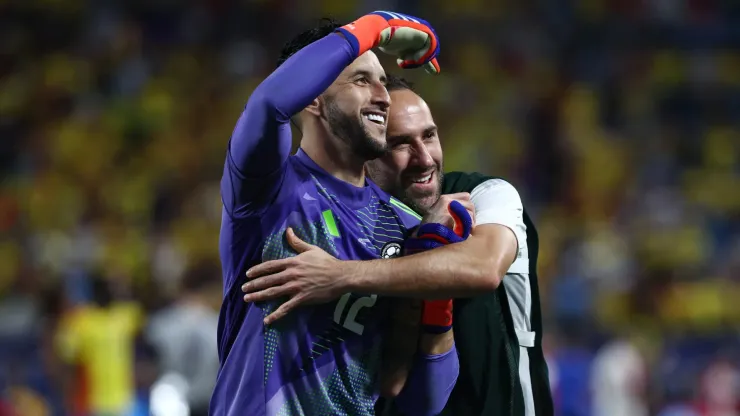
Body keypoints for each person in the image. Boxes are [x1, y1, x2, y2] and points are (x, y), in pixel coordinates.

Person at [243, 74, 554, 416]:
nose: (424, 158)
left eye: (430, 136)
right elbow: (392, 383)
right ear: (367, 154)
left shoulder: (484, 195)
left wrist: (339, 276)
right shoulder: (356, 231)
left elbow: (484, 268)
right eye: (401, 144)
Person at [212, 13, 463, 416]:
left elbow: (424, 405)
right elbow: (268, 104)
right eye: (361, 80)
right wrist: (375, 25)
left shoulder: (406, 230)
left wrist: (437, 303)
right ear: (310, 96)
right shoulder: (267, 189)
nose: (383, 96)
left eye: (382, 80)